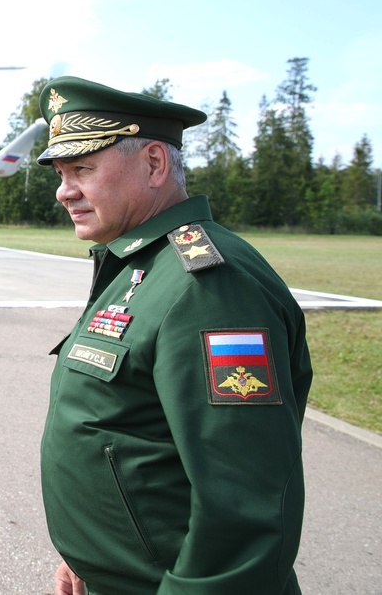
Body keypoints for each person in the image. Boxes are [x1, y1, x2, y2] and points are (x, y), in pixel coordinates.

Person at [35, 76, 312, 595]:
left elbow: (244, 508)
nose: (63, 189)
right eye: (61, 171)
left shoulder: (208, 287)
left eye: (82, 169)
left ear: (155, 164)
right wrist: (90, 555)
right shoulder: (142, 263)